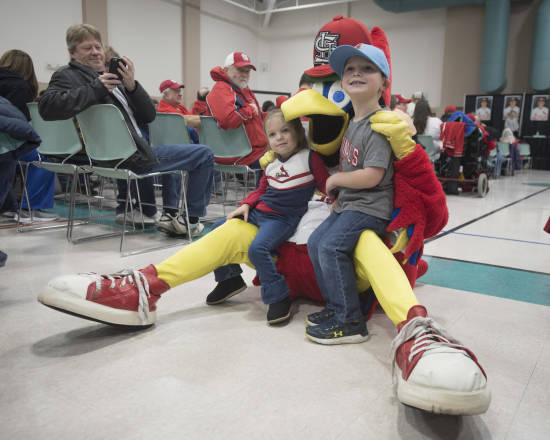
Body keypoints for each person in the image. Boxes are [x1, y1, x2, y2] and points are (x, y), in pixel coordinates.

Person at [37, 17, 490, 416]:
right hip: (291, 243)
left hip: (346, 247)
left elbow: (431, 214)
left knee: (368, 243)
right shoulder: (308, 144)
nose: (327, 100)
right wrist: (252, 201)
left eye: (353, 76)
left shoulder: (378, 132)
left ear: (375, 85)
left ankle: (416, 332)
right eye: (329, 82)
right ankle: (146, 286)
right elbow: (271, 179)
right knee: (232, 229)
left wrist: (408, 153)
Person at [38, 24, 214, 237]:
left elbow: (149, 116)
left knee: (185, 153)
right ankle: (190, 221)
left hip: (130, 152)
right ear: (73, 53)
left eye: (97, 46)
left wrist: (132, 86)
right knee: (203, 154)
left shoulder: (115, 78)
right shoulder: (67, 75)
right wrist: (97, 88)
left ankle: (171, 215)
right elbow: (46, 108)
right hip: (122, 156)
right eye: (87, 48)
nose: (95, 52)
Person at [302, 43, 393, 344]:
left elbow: (373, 175)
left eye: (367, 69)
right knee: (316, 242)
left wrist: (335, 180)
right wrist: (339, 195)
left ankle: (351, 320)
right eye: (350, 70)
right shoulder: (353, 122)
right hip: (351, 204)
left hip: (371, 206)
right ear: (341, 83)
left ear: (384, 83)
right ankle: (336, 306)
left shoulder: (379, 124)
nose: (356, 73)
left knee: (330, 247)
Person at [207, 109, 329, 324]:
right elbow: (261, 189)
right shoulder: (270, 163)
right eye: (272, 134)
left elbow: (327, 185)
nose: (279, 137)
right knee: (217, 227)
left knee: (257, 249)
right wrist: (245, 204)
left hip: (282, 219)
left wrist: (337, 202)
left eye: (285, 131)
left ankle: (279, 296)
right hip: (260, 212)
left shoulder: (310, 158)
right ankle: (229, 279)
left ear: (299, 133)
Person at [0, 49, 58, 222]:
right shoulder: (20, 87)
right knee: (44, 156)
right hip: (6, 144)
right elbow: (20, 125)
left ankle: (8, 207)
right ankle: (31, 208)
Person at [205, 51, 266, 168]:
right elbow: (227, 119)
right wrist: (250, 110)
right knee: (284, 160)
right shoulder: (222, 88)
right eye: (240, 70)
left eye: (247, 71)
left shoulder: (242, 90)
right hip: (240, 155)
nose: (244, 75)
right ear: (226, 69)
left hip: (254, 151)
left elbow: (259, 116)